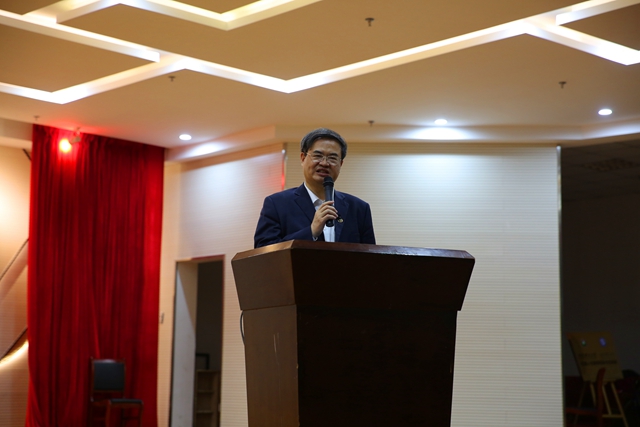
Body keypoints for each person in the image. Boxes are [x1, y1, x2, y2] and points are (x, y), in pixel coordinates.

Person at [254, 128, 376, 248]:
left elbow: (371, 256)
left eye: (332, 158)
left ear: (341, 164)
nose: (324, 163)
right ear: (303, 158)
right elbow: (263, 252)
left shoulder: (359, 208)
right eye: (318, 156)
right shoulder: (277, 204)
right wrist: (311, 231)